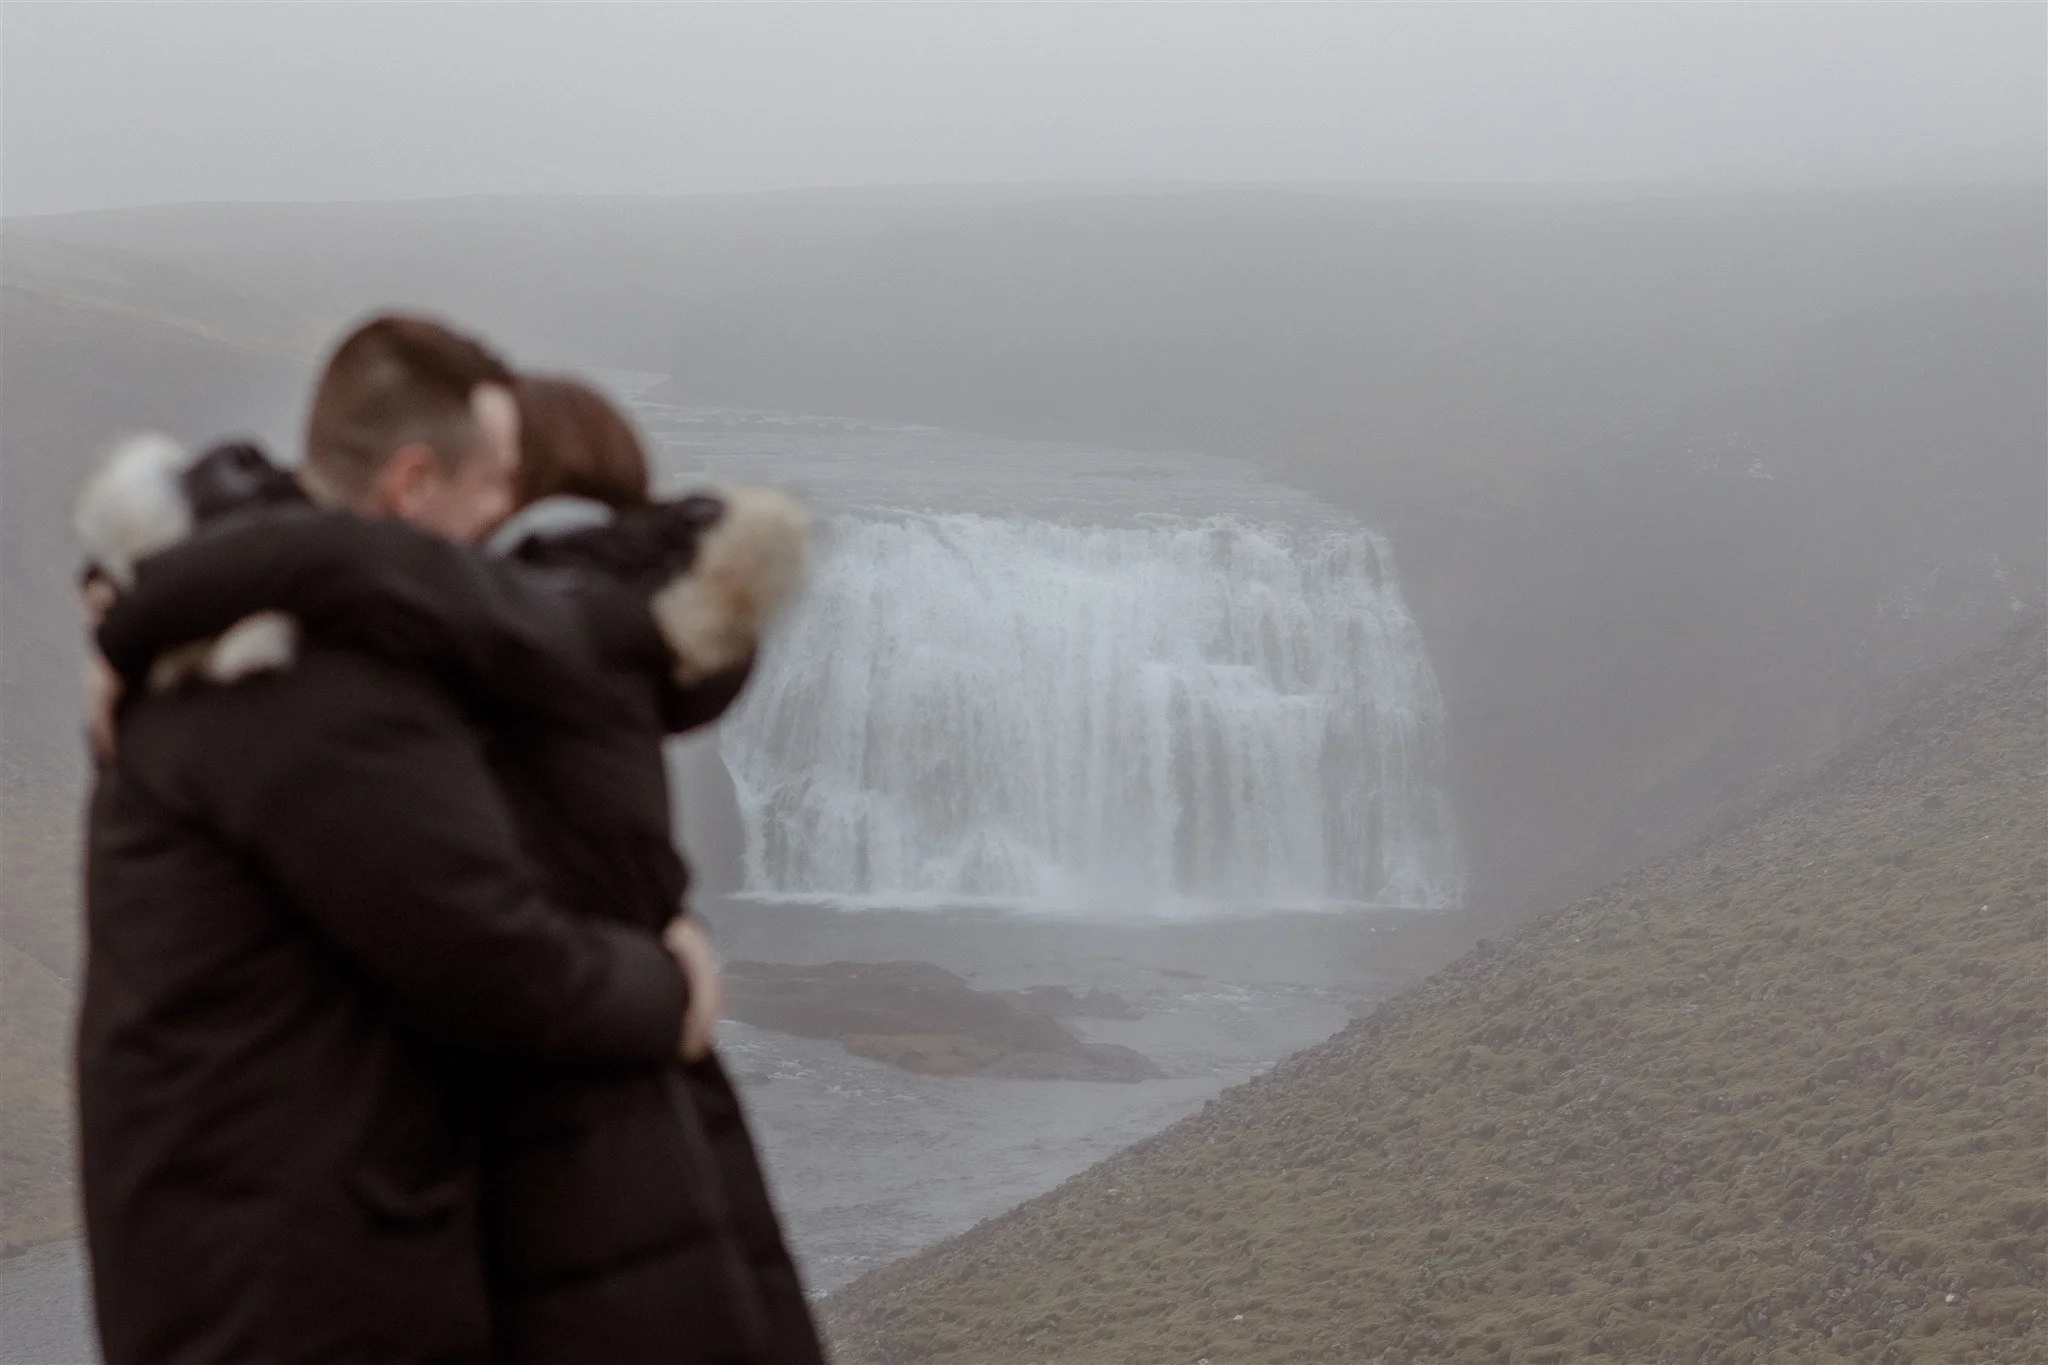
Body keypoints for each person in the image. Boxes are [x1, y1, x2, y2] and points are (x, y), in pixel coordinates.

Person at [84, 371, 823, 1364]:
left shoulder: (474, 688)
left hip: (490, 1230)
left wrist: (155, 612)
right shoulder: (580, 673)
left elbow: (499, 966)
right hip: (656, 1197)